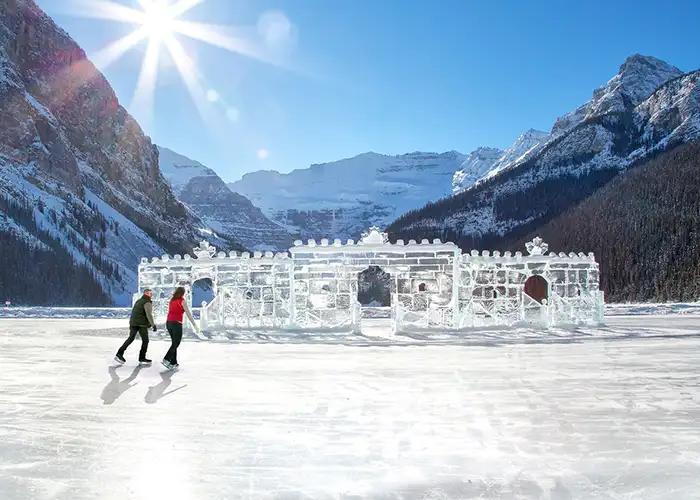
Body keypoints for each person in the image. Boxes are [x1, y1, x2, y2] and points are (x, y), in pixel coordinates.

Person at [114, 289, 157, 365]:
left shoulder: (139, 301)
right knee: (145, 340)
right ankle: (142, 357)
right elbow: (148, 314)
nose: (151, 294)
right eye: (150, 293)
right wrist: (153, 325)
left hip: (133, 322)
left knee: (131, 338)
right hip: (141, 324)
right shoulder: (147, 302)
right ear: (146, 293)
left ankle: (119, 353)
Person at [162, 286, 200, 370]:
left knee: (174, 343)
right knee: (176, 343)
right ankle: (167, 359)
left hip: (169, 323)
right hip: (176, 324)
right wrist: (195, 325)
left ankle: (173, 363)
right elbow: (188, 314)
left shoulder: (172, 300)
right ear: (183, 293)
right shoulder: (182, 301)